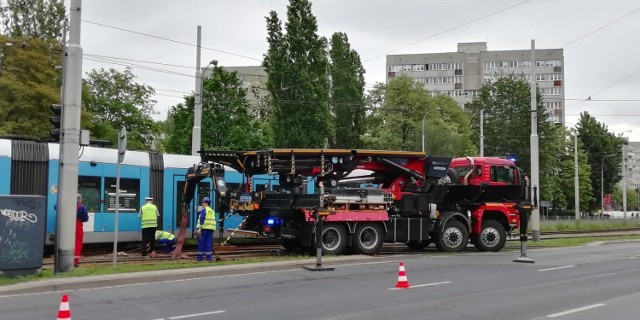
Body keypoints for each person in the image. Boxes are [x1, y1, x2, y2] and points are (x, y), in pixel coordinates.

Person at [196, 197, 220, 262]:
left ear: (206, 203)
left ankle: (199, 258)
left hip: (203, 229)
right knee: (208, 243)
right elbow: (214, 220)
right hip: (210, 230)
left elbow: (202, 219)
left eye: (203, 202)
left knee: (201, 243)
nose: (202, 204)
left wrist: (199, 229)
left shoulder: (204, 210)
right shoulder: (212, 211)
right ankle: (208, 258)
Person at [75, 194, 89, 267]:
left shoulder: (67, 205)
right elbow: (86, 218)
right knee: (77, 244)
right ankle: (75, 262)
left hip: (66, 226)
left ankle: (64, 260)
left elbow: (55, 206)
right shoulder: (82, 207)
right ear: (80, 200)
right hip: (78, 226)